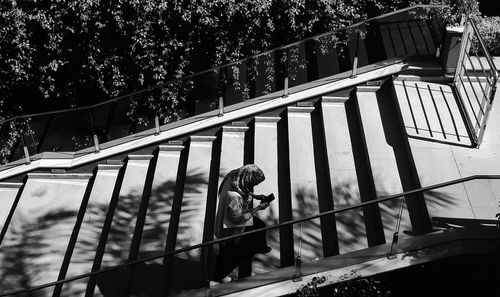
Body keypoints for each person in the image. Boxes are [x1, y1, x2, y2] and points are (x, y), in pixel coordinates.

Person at [213, 164, 272, 282]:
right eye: (254, 183)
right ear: (248, 178)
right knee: (228, 254)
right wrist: (258, 208)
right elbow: (237, 219)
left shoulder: (234, 175)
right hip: (229, 228)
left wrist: (255, 196)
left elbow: (240, 188)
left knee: (260, 225)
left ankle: (260, 246)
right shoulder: (234, 197)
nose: (255, 185)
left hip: (226, 216)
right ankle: (219, 276)